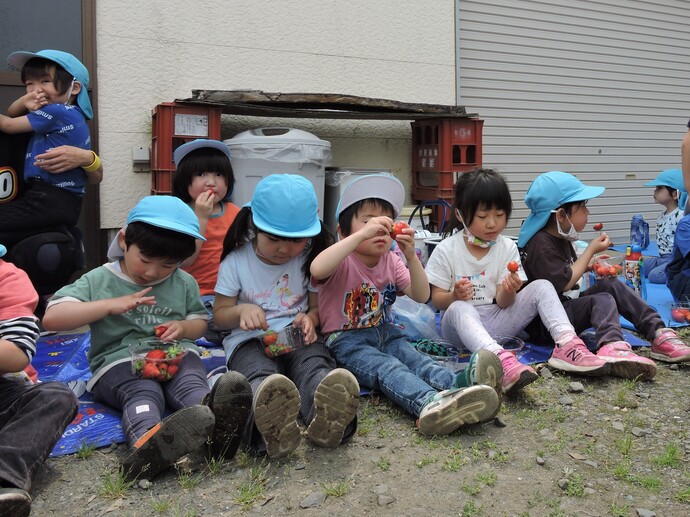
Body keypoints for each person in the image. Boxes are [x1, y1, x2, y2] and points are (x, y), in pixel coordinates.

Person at [42, 196, 252, 480]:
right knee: (144, 393)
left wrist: (183, 328)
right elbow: (53, 317)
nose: (153, 272)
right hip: (118, 361)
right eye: (145, 259)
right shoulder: (99, 280)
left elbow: (199, 323)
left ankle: (217, 430)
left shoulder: (183, 282)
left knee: (192, 386)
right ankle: (147, 447)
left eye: (167, 265)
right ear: (124, 240)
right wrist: (108, 305)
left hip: (175, 353)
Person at [310, 174, 502, 437]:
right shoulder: (343, 258)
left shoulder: (391, 260)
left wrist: (411, 256)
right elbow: (317, 268)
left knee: (417, 359)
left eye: (384, 223)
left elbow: (421, 295)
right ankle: (429, 403)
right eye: (367, 222)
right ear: (344, 231)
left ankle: (460, 385)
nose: (378, 230)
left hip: (388, 331)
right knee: (388, 368)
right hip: (346, 340)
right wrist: (359, 236)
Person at [425, 169, 610, 394]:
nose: (492, 224)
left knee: (542, 285)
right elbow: (436, 299)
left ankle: (567, 343)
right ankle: (500, 362)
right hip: (458, 329)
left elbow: (503, 303)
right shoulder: (448, 249)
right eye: (482, 217)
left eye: (500, 215)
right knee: (459, 307)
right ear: (461, 215)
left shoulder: (506, 247)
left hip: (495, 322)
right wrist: (453, 296)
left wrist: (509, 289)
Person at [213, 174, 360, 458]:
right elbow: (219, 316)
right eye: (274, 238)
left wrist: (310, 320)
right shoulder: (235, 262)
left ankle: (328, 416)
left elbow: (315, 309)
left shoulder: (308, 258)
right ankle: (269, 423)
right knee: (259, 375)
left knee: (313, 365)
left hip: (296, 335)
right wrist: (241, 311)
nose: (284, 249)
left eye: (295, 240)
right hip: (249, 340)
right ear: (254, 225)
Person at [519, 171, 690, 368]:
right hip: (546, 323)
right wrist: (590, 250)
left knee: (610, 285)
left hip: (565, 308)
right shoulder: (540, 244)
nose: (588, 213)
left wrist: (589, 264)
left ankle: (658, 332)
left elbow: (565, 272)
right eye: (582, 206)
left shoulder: (560, 237)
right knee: (601, 299)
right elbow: (563, 282)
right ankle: (612, 345)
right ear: (561, 215)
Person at [0, 243, 78, 517]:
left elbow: (15, 353)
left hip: (5, 388)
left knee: (56, 396)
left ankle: (5, 477)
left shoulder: (7, 278)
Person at [0, 50, 99, 237]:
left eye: (45, 81)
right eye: (29, 83)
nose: (36, 90)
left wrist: (23, 101)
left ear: (74, 88)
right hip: (60, 202)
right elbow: (13, 114)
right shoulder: (71, 115)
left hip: (47, 199)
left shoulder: (57, 112)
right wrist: (24, 100)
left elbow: (8, 124)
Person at [172, 139, 239, 344]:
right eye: (201, 174)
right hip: (195, 296)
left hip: (229, 296)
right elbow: (186, 260)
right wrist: (201, 218)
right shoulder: (179, 213)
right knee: (206, 324)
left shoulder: (235, 213)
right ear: (185, 180)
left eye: (219, 175)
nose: (211, 182)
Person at [641, 169, 686, 283]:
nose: (655, 191)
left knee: (654, 276)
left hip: (677, 260)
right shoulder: (662, 216)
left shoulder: (682, 216)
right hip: (662, 258)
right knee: (637, 267)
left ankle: (682, 272)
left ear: (675, 194)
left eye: (660, 188)